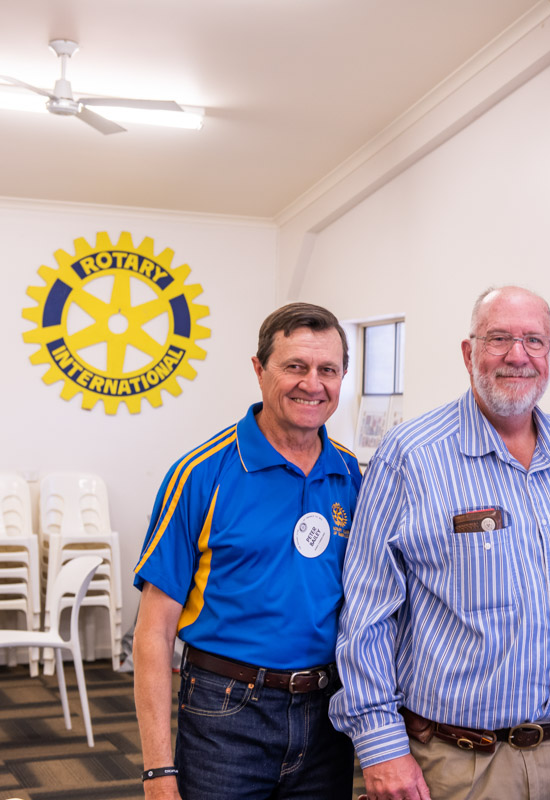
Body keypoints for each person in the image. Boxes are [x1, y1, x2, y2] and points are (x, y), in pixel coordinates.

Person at [329, 286, 550, 800]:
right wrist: (380, 744)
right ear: (468, 352)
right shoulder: (411, 456)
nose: (517, 355)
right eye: (498, 338)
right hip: (456, 767)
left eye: (533, 341)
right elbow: (367, 611)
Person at [132, 303, 362, 800]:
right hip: (226, 714)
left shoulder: (353, 475)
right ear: (259, 370)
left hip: (328, 716)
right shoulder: (200, 474)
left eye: (328, 370)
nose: (312, 383)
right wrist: (156, 771)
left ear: (343, 376)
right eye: (295, 366)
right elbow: (152, 632)